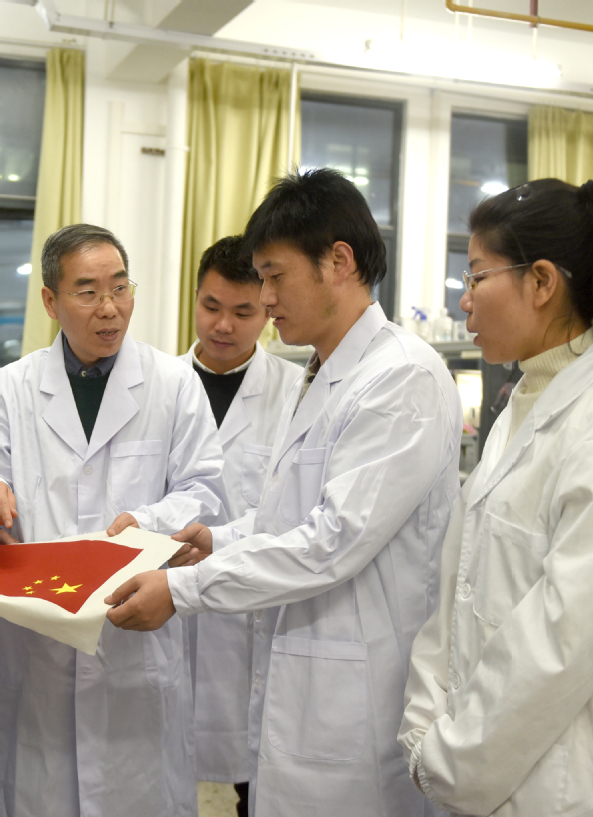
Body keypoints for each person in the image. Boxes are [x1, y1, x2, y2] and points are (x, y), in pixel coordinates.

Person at [106, 168, 463, 817]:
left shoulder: (400, 378)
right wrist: (214, 538)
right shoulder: (325, 371)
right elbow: (287, 516)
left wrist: (183, 591)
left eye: (273, 276)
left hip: (357, 703)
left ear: (337, 261)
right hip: (305, 690)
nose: (265, 298)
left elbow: (332, 541)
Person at [398, 175, 593, 816]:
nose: (465, 301)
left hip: (579, 782)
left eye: (476, 277)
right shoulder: (523, 404)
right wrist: (429, 724)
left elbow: (563, 644)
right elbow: (461, 588)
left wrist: (449, 758)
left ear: (541, 282)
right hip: (493, 766)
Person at [0, 223, 227, 817]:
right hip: (37, 647)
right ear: (50, 300)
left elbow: (204, 489)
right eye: (88, 291)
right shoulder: (9, 389)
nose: (110, 308)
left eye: (120, 287)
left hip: (134, 636)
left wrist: (148, 520)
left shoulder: (173, 385)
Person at [181, 235, 302, 816]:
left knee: (253, 781)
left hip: (250, 616)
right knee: (161, 769)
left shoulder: (295, 393)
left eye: (243, 311)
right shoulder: (158, 385)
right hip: (171, 611)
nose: (223, 325)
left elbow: (293, 509)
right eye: (211, 306)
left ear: (268, 312)